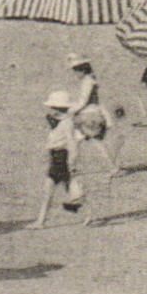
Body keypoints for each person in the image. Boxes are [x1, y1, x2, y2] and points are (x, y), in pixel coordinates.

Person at [33, 91, 86, 228]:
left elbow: (71, 142)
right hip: (56, 157)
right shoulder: (60, 121)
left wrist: (72, 161)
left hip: (62, 158)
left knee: (56, 190)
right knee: (65, 190)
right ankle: (41, 221)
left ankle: (41, 221)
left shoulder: (66, 123)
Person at [67, 54, 120, 175]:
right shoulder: (91, 80)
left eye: (76, 71)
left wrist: (71, 110)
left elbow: (83, 101)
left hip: (88, 116)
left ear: (82, 70)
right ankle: (71, 167)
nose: (75, 74)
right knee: (77, 140)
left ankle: (112, 167)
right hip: (92, 114)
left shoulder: (87, 82)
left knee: (92, 142)